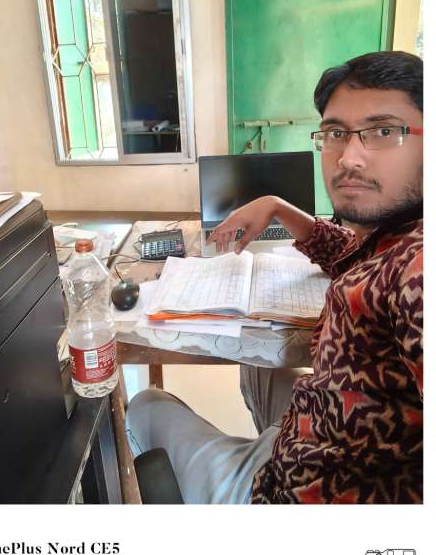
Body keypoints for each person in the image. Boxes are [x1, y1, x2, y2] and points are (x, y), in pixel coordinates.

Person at [126, 51, 423, 504]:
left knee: (145, 406)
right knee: (258, 368)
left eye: (383, 131)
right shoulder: (394, 232)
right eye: (336, 133)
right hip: (319, 430)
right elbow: (347, 254)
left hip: (300, 493)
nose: (349, 158)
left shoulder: (418, 269)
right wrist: (277, 207)